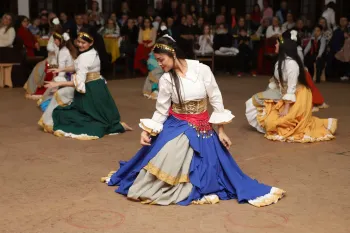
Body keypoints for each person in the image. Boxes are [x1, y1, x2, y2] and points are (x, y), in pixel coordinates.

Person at [101, 35, 285, 206]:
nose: (159, 64)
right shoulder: (166, 79)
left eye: (161, 60)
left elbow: (216, 99)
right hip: (176, 125)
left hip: (204, 128)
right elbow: (161, 110)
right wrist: (147, 131)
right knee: (160, 166)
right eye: (157, 60)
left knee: (216, 172)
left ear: (172, 54)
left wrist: (220, 131)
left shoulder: (202, 70)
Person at [245, 30, 337, 142]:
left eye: (277, 43)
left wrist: (287, 107)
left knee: (280, 121)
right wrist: (270, 94)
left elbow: (292, 87)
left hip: (297, 96)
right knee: (256, 101)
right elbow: (278, 82)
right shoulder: (280, 61)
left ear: (283, 47)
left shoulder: (291, 64)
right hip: (284, 93)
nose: (275, 45)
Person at [43, 28, 132, 140]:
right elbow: (76, 66)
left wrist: (57, 83)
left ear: (91, 43)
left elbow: (78, 83)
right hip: (98, 87)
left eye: (83, 43)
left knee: (60, 114)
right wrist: (61, 69)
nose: (80, 45)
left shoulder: (85, 57)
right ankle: (117, 126)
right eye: (79, 42)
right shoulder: (92, 52)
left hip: (90, 90)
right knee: (100, 116)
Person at [38, 32, 77, 129]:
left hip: (68, 77)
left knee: (54, 85)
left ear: (61, 41)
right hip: (73, 76)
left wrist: (57, 82)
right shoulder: (70, 49)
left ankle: (52, 109)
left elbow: (62, 70)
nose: (54, 41)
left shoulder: (63, 51)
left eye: (56, 39)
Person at [24, 17, 62, 100]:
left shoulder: (56, 37)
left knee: (41, 67)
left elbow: (50, 48)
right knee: (39, 66)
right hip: (53, 58)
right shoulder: (57, 36)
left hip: (56, 60)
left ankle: (39, 89)